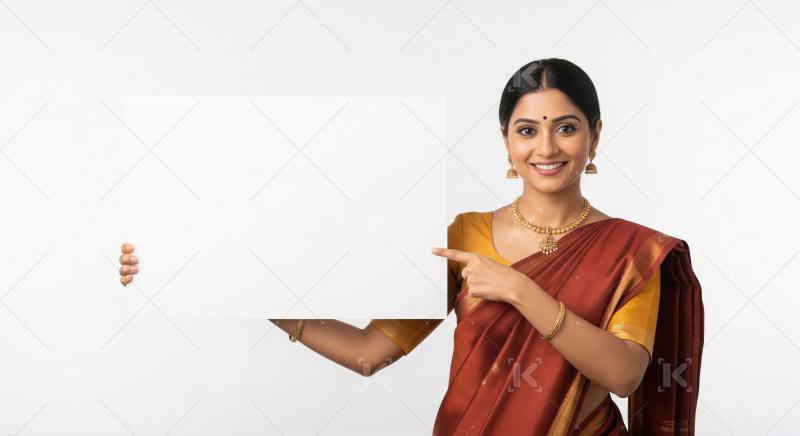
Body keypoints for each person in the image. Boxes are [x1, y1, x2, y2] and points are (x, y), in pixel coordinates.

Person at [119, 58, 703, 435]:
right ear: (505, 140)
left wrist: (522, 290)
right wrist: (229, 280)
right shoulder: (463, 236)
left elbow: (626, 375)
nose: (546, 146)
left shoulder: (632, 250)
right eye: (527, 129)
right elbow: (370, 351)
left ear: (595, 134)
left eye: (567, 126)